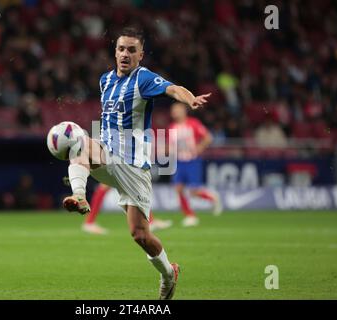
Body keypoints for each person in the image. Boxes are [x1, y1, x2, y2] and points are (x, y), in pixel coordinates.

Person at [61, 27, 211, 300]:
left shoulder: (143, 78)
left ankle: (168, 273)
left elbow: (172, 88)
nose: (125, 54)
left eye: (132, 50)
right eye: (121, 49)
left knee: (140, 235)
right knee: (79, 140)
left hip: (134, 167)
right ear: (114, 52)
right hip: (108, 155)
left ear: (140, 55)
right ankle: (79, 197)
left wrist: (189, 99)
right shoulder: (105, 81)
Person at [168, 102, 223, 227]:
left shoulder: (193, 123)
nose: (174, 112)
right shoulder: (172, 127)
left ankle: (212, 198)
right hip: (178, 161)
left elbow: (208, 137)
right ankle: (190, 216)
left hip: (192, 161)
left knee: (194, 192)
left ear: (184, 111)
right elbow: (171, 146)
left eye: (177, 109)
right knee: (178, 188)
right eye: (173, 110)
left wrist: (199, 147)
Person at [82, 183, 172, 235]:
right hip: (115, 156)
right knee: (132, 185)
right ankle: (89, 222)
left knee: (133, 185)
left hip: (116, 156)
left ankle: (150, 220)